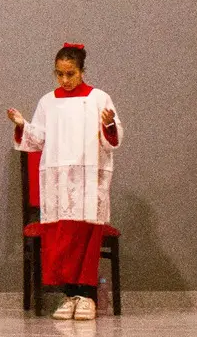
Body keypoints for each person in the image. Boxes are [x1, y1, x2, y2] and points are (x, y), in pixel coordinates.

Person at [8, 43, 122, 320]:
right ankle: (69, 295)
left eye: (70, 74)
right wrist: (23, 125)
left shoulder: (99, 99)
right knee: (62, 239)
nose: (65, 80)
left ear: (82, 71)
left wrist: (108, 125)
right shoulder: (48, 102)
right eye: (59, 74)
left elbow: (113, 139)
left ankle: (88, 296)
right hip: (59, 181)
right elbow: (37, 139)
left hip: (87, 179)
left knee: (86, 236)